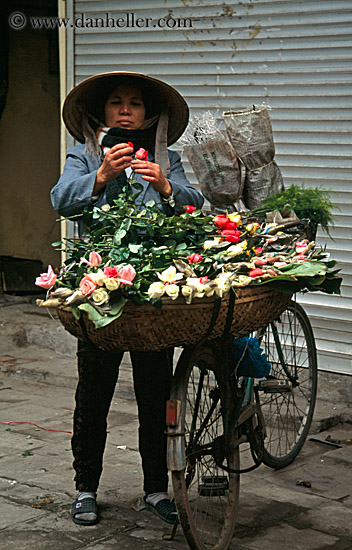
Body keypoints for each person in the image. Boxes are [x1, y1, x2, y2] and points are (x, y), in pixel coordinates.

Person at [50, 72, 204, 527]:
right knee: (93, 393)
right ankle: (86, 489)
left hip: (152, 294)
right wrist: (100, 176)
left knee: (154, 394)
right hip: (99, 293)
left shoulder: (165, 158)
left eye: (134, 103)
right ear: (103, 113)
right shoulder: (84, 154)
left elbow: (196, 205)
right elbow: (61, 199)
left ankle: (155, 489)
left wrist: (167, 186)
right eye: (116, 101)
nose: (125, 108)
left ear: (147, 115)